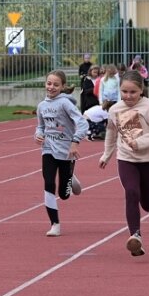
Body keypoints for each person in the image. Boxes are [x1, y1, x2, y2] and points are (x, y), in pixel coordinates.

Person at [99, 70, 149, 255]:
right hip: (126, 159)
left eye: (133, 92)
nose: (128, 96)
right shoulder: (115, 110)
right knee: (131, 192)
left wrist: (140, 143)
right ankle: (135, 236)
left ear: (141, 90)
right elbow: (111, 132)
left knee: (147, 206)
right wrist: (107, 154)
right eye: (124, 92)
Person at [34, 70, 88, 237]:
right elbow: (40, 126)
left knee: (64, 195)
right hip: (48, 149)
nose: (51, 87)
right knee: (49, 184)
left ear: (63, 87)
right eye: (49, 83)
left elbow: (83, 123)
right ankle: (55, 224)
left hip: (66, 151)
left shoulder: (66, 104)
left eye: (56, 85)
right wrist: (38, 135)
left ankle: (71, 178)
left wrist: (75, 142)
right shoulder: (41, 106)